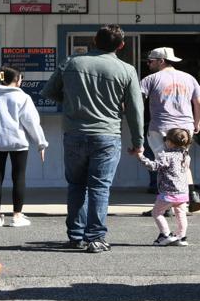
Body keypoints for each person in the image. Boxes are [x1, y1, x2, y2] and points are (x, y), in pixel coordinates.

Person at [41, 24, 144, 253]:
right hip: (107, 134)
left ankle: (76, 235)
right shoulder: (126, 70)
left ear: (94, 41)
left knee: (76, 185)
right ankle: (96, 237)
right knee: (99, 187)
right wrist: (138, 142)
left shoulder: (71, 63)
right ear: (121, 45)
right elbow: (135, 110)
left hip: (75, 132)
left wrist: (70, 103)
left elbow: (48, 91)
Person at [0, 66, 48, 228]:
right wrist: (41, 143)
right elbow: (32, 123)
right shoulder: (23, 98)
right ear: (17, 79)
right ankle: (16, 216)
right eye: (21, 78)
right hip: (18, 143)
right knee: (18, 177)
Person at [139, 47, 200, 211]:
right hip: (186, 128)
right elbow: (199, 104)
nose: (148, 64)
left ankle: (166, 206)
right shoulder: (189, 78)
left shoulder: (151, 79)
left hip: (161, 128)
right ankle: (191, 195)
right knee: (182, 162)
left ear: (161, 60)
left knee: (163, 165)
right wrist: (197, 123)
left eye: (151, 61)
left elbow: (137, 103)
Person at [133, 127, 194, 246]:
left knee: (156, 213)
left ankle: (165, 234)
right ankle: (181, 237)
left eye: (166, 139)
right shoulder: (186, 156)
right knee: (180, 214)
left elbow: (153, 166)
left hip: (168, 193)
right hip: (182, 193)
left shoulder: (166, 156)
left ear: (169, 142)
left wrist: (140, 156)